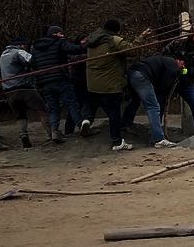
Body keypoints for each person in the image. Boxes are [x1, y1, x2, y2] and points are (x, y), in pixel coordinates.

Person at [82, 19, 153, 151]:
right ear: (117, 30)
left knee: (92, 102)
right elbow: (132, 51)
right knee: (114, 113)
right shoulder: (114, 40)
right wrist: (142, 37)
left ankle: (87, 120)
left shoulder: (92, 39)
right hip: (110, 83)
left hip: (92, 81)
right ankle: (117, 142)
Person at [32, 25, 88, 143]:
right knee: (72, 104)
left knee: (53, 109)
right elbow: (72, 49)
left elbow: (32, 62)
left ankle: (54, 132)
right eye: (61, 33)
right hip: (59, 78)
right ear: (56, 34)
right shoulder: (59, 41)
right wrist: (89, 47)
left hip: (44, 82)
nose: (63, 35)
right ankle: (81, 125)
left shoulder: (36, 46)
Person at [122, 55, 184, 148]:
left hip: (132, 73)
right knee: (153, 107)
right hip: (142, 76)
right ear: (178, 60)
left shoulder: (165, 61)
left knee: (135, 99)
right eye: (183, 63)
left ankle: (124, 123)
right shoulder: (172, 66)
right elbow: (163, 86)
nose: (183, 67)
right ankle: (158, 139)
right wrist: (157, 96)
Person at [0, 38, 51, 149]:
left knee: (20, 116)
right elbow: (32, 61)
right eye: (24, 46)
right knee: (43, 109)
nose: (25, 48)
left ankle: (23, 136)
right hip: (24, 88)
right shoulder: (19, 52)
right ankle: (52, 133)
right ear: (20, 45)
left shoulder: (3, 55)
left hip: (9, 91)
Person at [163, 27, 194, 134]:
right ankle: (157, 132)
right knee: (159, 104)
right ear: (191, 35)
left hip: (186, 83)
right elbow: (163, 56)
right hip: (168, 80)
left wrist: (185, 71)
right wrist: (174, 65)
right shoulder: (176, 44)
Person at [64, 33, 88, 136]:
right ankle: (68, 132)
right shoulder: (73, 51)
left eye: (86, 39)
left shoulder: (92, 50)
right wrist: (91, 55)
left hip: (92, 84)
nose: (85, 41)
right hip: (78, 84)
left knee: (105, 104)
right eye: (82, 39)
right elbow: (74, 58)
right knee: (74, 109)